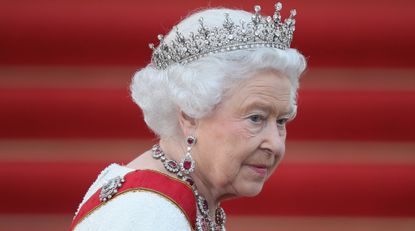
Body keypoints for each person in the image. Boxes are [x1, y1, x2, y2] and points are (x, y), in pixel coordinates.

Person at [70, 2, 306, 231]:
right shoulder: (149, 212)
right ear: (190, 115)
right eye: (256, 118)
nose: (275, 144)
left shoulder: (185, 199)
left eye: (282, 121)